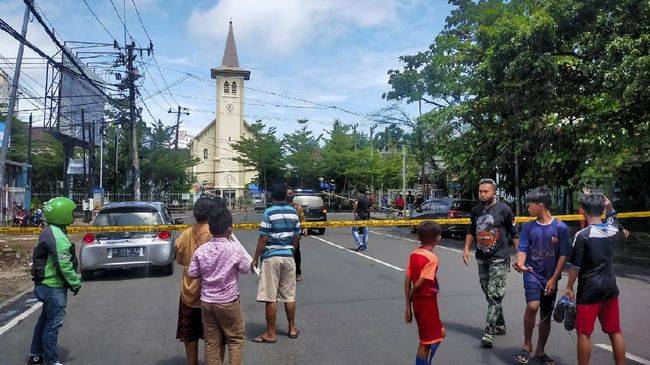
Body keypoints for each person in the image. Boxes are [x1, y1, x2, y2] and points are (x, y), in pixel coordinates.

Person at [564, 193, 626, 365]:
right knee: (615, 331)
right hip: (610, 287)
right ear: (601, 209)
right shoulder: (613, 229)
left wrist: (569, 287)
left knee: (583, 333)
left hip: (590, 290)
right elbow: (613, 216)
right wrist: (609, 204)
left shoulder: (583, 235)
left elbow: (575, 266)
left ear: (582, 211)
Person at [513, 187, 571, 365]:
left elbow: (563, 254)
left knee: (546, 314)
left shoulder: (560, 227)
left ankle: (540, 350)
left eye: (530, 205)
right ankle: (527, 344)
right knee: (532, 306)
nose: (527, 208)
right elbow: (522, 248)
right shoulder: (529, 226)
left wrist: (554, 278)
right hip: (531, 273)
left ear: (540, 205)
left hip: (551, 277)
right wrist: (521, 264)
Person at [188, 207, 251, 365]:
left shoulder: (201, 250)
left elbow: (192, 273)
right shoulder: (235, 249)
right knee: (235, 340)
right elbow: (245, 269)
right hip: (228, 302)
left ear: (210, 228)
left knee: (212, 342)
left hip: (207, 302)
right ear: (230, 230)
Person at [463, 178, 519, 348]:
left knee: (495, 294)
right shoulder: (476, 210)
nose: (482, 194)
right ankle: (500, 325)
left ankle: (489, 332)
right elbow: (472, 230)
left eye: (486, 191)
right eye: (480, 191)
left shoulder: (504, 210)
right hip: (482, 256)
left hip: (499, 257)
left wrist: (519, 255)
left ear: (494, 192)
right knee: (488, 292)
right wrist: (466, 249)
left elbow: (514, 233)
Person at [28, 197, 82, 365]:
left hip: (44, 285)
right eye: (71, 212)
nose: (73, 215)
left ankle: (36, 354)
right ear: (62, 214)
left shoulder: (50, 230)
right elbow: (64, 264)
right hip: (53, 287)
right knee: (53, 325)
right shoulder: (57, 236)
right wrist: (75, 282)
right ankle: (51, 361)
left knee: (44, 320)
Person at [251, 182, 301, 343]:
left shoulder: (269, 212)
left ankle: (271, 333)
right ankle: (292, 328)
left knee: (270, 297)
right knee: (289, 295)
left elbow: (264, 237)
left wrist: (255, 257)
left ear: (272, 196)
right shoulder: (294, 212)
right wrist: (291, 251)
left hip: (271, 257)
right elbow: (296, 237)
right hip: (288, 256)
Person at [174, 196, 216, 365]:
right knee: (212, 335)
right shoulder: (215, 233)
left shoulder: (186, 233)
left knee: (190, 334)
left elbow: (180, 257)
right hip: (211, 293)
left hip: (189, 293)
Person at [404, 221, 445, 365]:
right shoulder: (432, 258)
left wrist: (408, 305)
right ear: (437, 238)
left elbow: (407, 279)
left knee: (434, 335)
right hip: (426, 301)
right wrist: (412, 295)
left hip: (418, 302)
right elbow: (420, 282)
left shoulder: (414, 254)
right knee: (427, 341)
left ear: (418, 238)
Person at [287, 188, 305, 281]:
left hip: (295, 235)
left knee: (296, 254)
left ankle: (297, 272)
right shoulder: (281, 206)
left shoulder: (298, 207)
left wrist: (305, 228)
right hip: (284, 235)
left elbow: (302, 219)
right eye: (287, 193)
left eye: (290, 193)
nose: (289, 195)